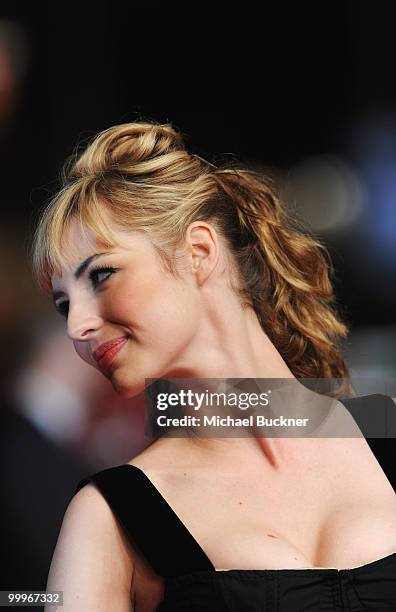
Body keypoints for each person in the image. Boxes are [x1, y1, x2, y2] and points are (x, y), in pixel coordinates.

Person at [31, 120, 396, 611]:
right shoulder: (111, 516)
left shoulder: (387, 431)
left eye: (101, 275)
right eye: (62, 305)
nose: (77, 326)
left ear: (200, 251)